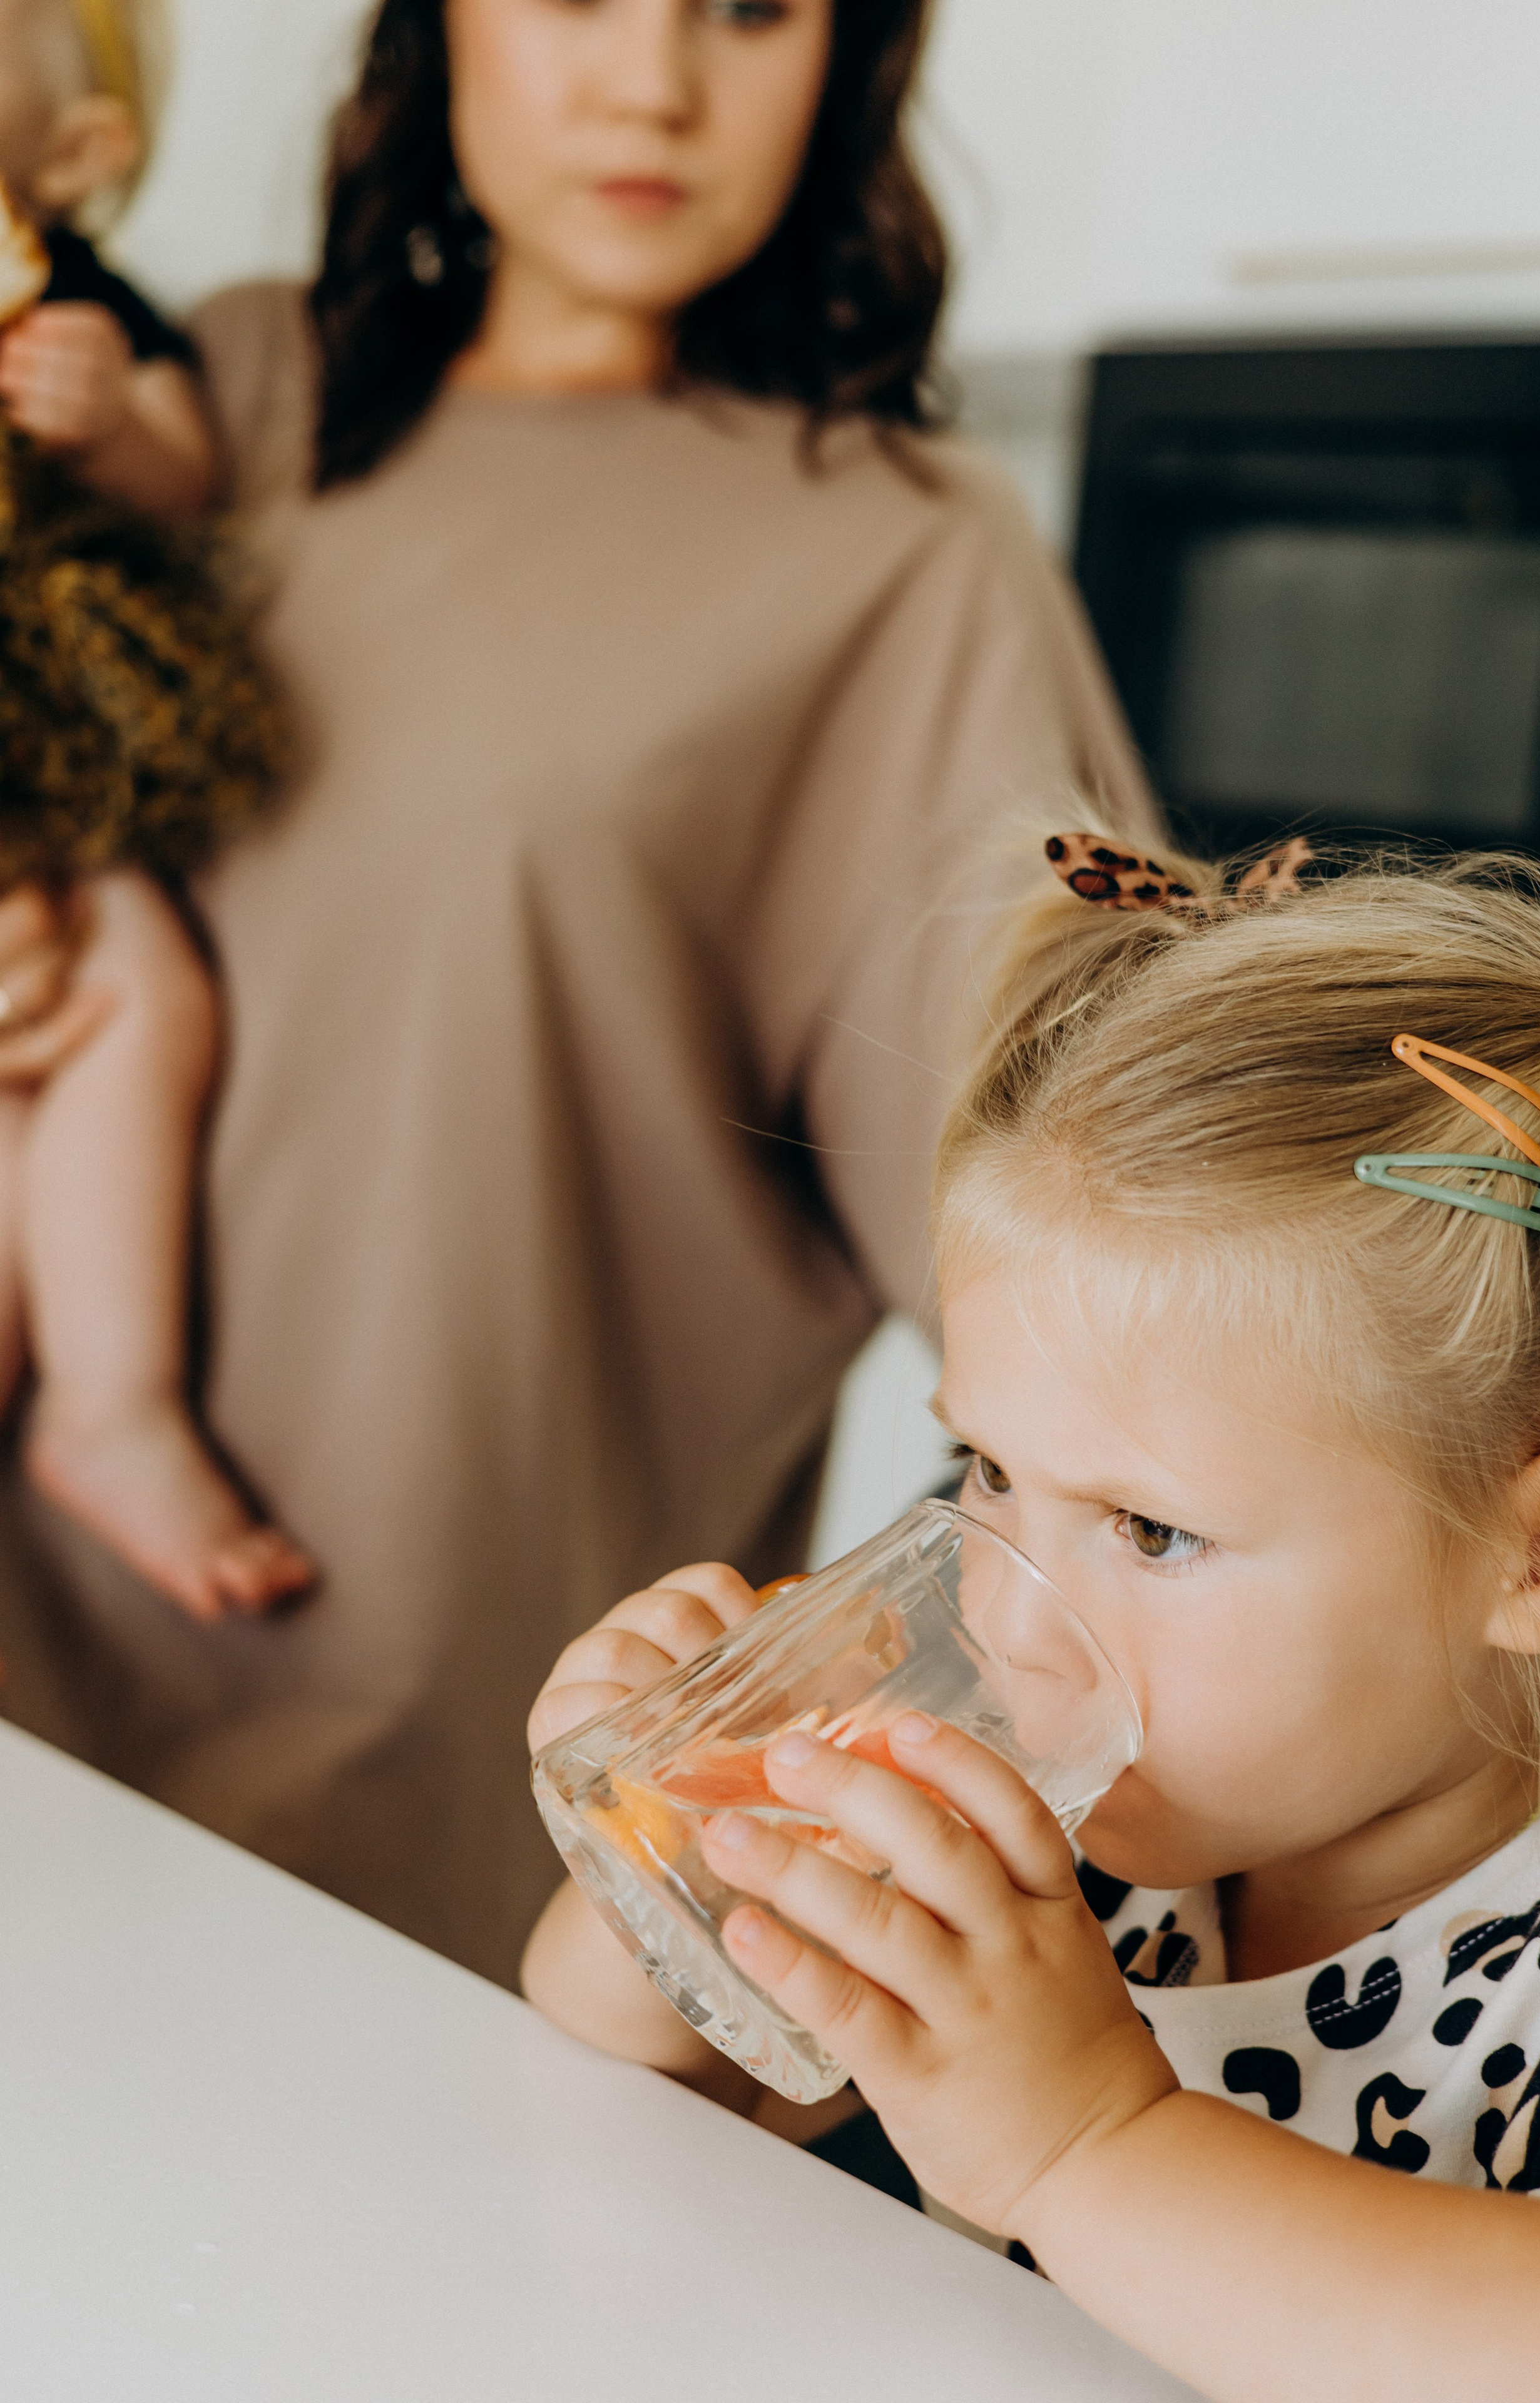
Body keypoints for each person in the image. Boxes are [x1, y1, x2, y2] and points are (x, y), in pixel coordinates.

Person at [0, 0, 1155, 1986]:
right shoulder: (225, 392)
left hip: (430, 1802)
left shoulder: (904, 565)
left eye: (749, 10)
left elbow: (1115, 1273)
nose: (652, 83)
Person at [524, 837, 1540, 2396]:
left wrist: (1091, 2146)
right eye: (989, 1471)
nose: (1011, 1618)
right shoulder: (1086, 1847)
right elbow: (638, 2112)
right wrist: (678, 1852)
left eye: (1151, 1529)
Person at [0, 0, 315, 1621]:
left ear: (73, 154)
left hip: (52, 775)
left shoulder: (81, 312)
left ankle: (111, 1400)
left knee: (139, 997)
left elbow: (190, 469)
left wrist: (105, 413)